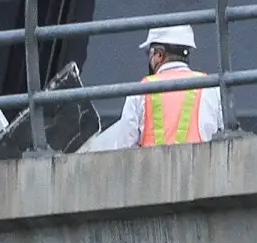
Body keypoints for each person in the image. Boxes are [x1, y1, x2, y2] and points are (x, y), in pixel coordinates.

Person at [83, 25, 223, 150]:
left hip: (152, 176)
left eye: (149, 54)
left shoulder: (140, 91)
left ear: (159, 54)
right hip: (201, 175)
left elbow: (124, 149)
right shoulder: (210, 87)